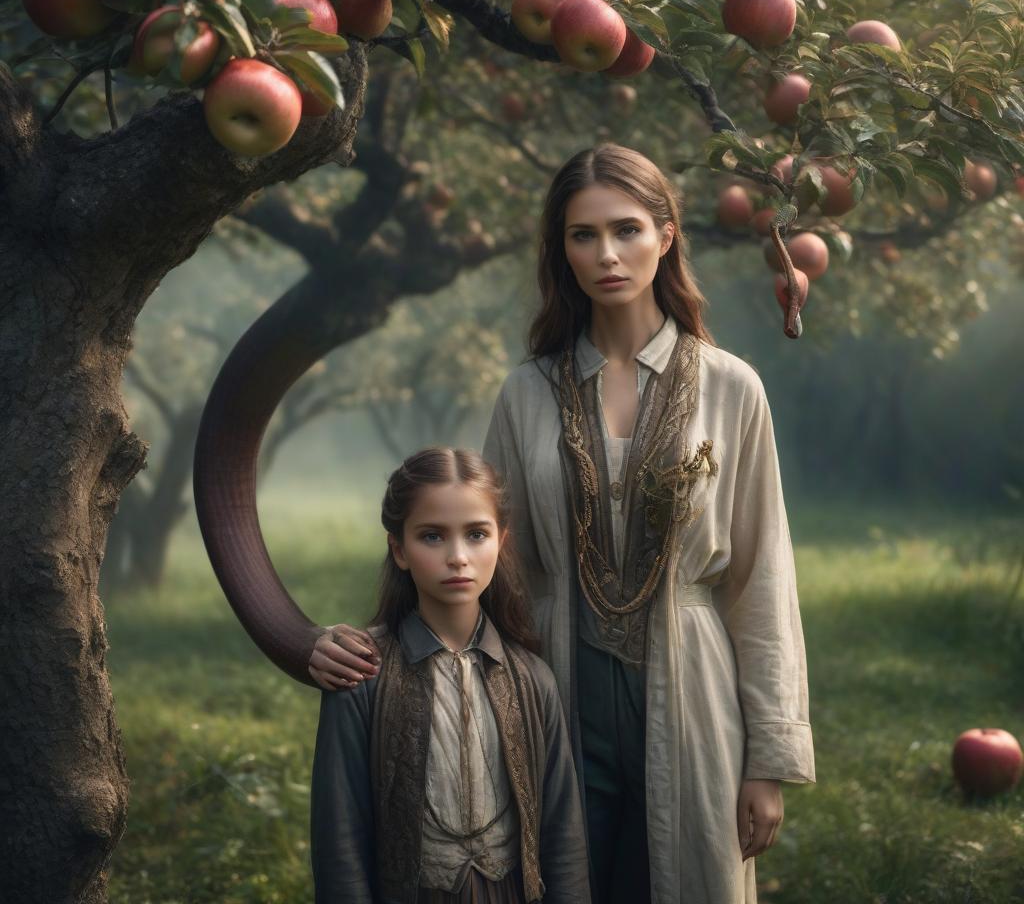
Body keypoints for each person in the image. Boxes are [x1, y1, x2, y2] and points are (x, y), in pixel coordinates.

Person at [310, 145, 815, 904]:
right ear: (562, 249)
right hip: (555, 690)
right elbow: (480, 553)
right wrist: (366, 642)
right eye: (583, 235)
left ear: (667, 234)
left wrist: (767, 761)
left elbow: (762, 579)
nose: (606, 254)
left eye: (627, 229)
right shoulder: (527, 393)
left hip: (696, 692)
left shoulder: (731, 388)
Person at [310, 446, 590, 904]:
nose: (458, 556)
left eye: (476, 534)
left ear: (501, 541)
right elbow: (339, 840)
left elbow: (563, 838)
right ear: (399, 549)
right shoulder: (363, 675)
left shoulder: (533, 679)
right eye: (433, 537)